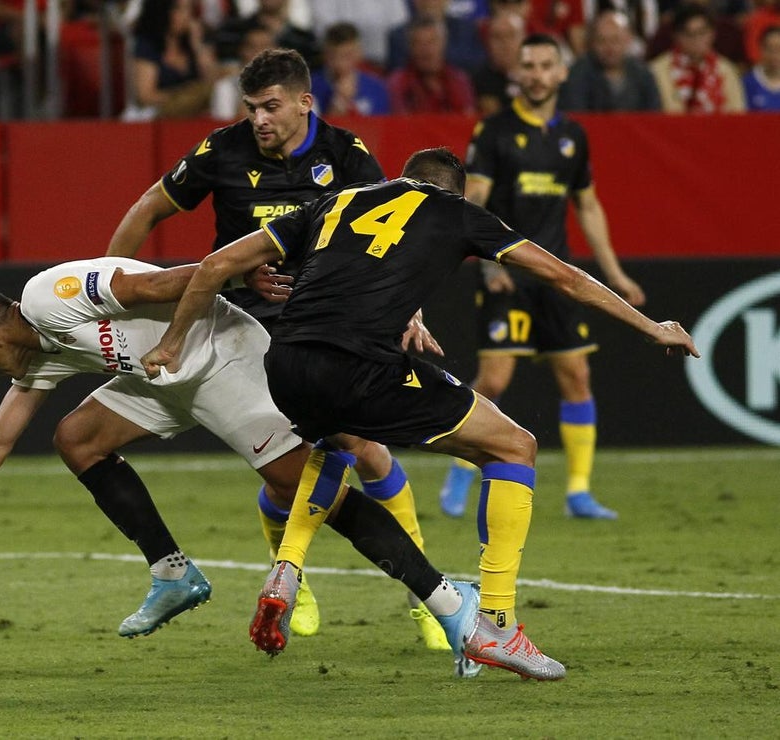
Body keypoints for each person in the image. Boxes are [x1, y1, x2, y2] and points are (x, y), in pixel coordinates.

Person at [141, 146, 699, 679]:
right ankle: (497, 624)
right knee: (515, 447)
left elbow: (214, 265)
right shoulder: (456, 212)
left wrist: (171, 342)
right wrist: (650, 326)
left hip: (284, 364)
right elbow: (563, 276)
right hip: (360, 366)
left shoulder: (336, 201)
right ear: (452, 190)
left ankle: (287, 566)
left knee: (335, 444)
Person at [0, 256, 483, 679]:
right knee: (78, 438)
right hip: (160, 380)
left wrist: (227, 271)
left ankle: (450, 602)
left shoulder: (52, 295)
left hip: (218, 354)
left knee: (307, 491)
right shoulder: (35, 357)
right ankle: (173, 575)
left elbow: (160, 283)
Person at [106, 47, 449, 652]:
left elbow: (395, 235)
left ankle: (423, 597)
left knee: (364, 451)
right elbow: (148, 208)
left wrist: (409, 311)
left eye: (270, 107)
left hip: (332, 319)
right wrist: (111, 282)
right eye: (251, 108)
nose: (259, 119)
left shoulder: (348, 155)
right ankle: (321, 582)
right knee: (305, 459)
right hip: (243, 323)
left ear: (304, 102)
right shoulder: (223, 149)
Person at [438, 33, 648, 521]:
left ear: (561, 74)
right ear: (518, 73)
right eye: (527, 65)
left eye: (544, 65)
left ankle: (579, 492)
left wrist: (614, 273)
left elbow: (588, 206)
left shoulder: (574, 135)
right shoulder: (493, 131)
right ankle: (461, 468)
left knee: (577, 375)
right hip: (508, 274)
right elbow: (475, 203)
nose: (535, 74)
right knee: (494, 378)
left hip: (558, 276)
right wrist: (489, 264)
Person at [124, 0, 218, 120]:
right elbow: (146, 95)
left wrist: (198, 45)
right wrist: (184, 98)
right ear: (163, 11)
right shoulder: (147, 46)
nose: (186, 15)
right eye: (179, 9)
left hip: (194, 117)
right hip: (160, 115)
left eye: (189, 9)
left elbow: (212, 82)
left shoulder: (191, 46)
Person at [649, 4, 747, 113]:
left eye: (702, 33)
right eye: (689, 34)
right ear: (676, 36)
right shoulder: (657, 71)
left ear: (713, 34)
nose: (696, 40)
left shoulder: (726, 70)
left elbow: (738, 114)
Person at [560, 10, 662, 111]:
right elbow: (575, 116)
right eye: (602, 41)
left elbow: (655, 115)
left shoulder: (643, 74)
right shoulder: (577, 74)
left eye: (615, 40)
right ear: (592, 43)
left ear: (628, 40)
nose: (609, 48)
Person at [386, 17, 477, 113]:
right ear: (410, 48)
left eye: (432, 42)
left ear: (444, 44)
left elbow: (467, 119)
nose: (426, 50)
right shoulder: (397, 83)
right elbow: (401, 122)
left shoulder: (460, 80)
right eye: (418, 43)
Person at [311, 21, 391, 116]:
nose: (340, 64)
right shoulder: (310, 87)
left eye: (347, 56)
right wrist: (339, 102)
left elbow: (381, 127)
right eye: (333, 56)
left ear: (359, 53)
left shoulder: (377, 88)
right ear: (324, 55)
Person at [387, 0, 486, 74]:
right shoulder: (399, 36)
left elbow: (478, 64)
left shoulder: (467, 29)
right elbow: (402, 72)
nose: (430, 2)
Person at [471, 11, 525, 114]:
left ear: (524, 39)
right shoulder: (481, 80)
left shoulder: (538, 75)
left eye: (511, 35)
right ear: (488, 43)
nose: (505, 43)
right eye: (497, 37)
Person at [744, 24, 780, 109]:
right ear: (761, 49)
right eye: (769, 49)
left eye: (779, 49)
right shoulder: (747, 83)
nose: (774, 55)